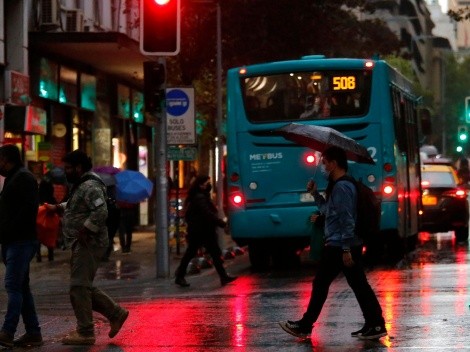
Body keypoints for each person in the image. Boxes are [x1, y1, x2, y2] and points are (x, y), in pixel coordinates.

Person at [279, 146, 386, 340]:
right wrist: (314, 194)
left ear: (334, 163)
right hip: (343, 244)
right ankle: (375, 324)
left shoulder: (342, 187)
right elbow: (329, 210)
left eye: (325, 162)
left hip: (341, 245)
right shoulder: (338, 186)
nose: (323, 166)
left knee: (322, 284)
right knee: (358, 285)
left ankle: (305, 325)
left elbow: (347, 219)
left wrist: (346, 248)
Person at [46, 150, 128, 345]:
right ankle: (115, 313)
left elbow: (101, 211)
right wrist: (58, 207)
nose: (66, 172)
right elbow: (77, 206)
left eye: (68, 168)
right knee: (82, 286)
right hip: (82, 243)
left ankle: (85, 331)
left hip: (89, 243)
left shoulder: (90, 185)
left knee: (78, 286)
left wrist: (86, 229)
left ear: (78, 167)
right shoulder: (82, 185)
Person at [0, 144, 43, 348]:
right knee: (21, 287)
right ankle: (33, 332)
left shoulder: (23, 178)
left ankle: (7, 331)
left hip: (20, 241)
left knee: (13, 286)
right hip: (13, 241)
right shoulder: (14, 177)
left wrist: (7, 231)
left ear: (7, 159)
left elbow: (26, 212)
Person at [175, 175, 237, 287]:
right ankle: (180, 276)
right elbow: (207, 214)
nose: (209, 185)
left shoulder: (200, 196)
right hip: (202, 231)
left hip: (201, 230)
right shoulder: (200, 198)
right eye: (207, 183)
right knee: (198, 253)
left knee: (211, 253)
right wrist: (221, 223)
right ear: (201, 185)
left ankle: (223, 277)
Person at [37, 177, 57, 262]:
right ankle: (51, 256)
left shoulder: (38, 200)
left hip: (39, 222)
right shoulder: (52, 200)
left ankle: (38, 256)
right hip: (50, 222)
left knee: (38, 238)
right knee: (50, 239)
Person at [102, 185, 120, 261]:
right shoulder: (114, 203)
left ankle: (104, 255)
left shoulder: (103, 201)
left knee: (105, 238)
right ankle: (106, 255)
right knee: (109, 238)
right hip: (111, 224)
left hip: (106, 223)